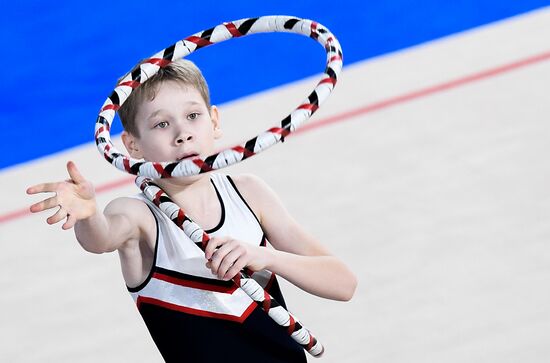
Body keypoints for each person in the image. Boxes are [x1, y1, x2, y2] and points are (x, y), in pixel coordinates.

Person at [27, 59, 357, 362]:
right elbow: (101, 237)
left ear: (214, 121)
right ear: (132, 146)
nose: (182, 133)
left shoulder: (249, 193)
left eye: (193, 116)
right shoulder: (140, 218)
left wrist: (265, 257)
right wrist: (87, 215)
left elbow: (343, 284)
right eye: (161, 124)